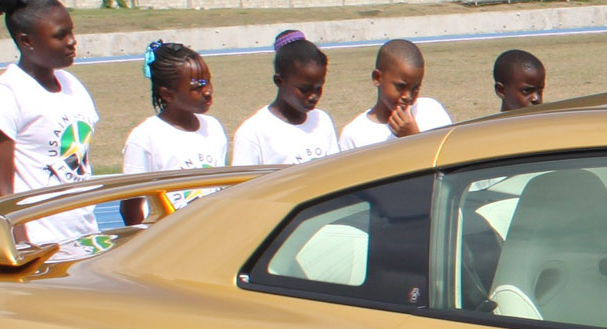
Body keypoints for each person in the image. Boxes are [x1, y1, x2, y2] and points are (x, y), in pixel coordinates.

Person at [0, 0, 100, 250]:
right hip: (41, 245)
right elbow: (0, 192)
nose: (72, 42)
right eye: (60, 35)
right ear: (26, 41)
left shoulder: (73, 85)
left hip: (85, 239)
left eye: (72, 32)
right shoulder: (5, 94)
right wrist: (23, 248)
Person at [119, 43, 229, 223]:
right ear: (167, 94)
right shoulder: (145, 137)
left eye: (208, 81)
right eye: (196, 87)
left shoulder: (214, 128)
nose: (207, 91)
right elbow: (131, 206)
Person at [229, 35, 337, 166]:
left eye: (319, 88)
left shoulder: (322, 120)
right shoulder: (253, 132)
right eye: (304, 89)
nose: (313, 96)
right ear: (279, 81)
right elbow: (245, 184)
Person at [339, 39, 449, 150]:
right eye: (400, 87)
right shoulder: (354, 135)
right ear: (377, 78)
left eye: (416, 88)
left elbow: (450, 160)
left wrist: (414, 138)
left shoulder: (433, 111)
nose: (408, 96)